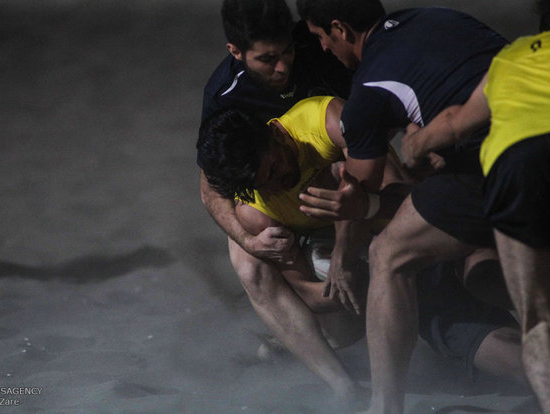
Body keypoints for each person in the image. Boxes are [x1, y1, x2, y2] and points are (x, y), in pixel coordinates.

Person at [197, 96, 526, 408]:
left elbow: (406, 196)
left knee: (487, 277)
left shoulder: (326, 125)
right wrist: (362, 286)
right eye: (261, 184)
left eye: (272, 169)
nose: (275, 185)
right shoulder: (256, 208)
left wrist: (352, 235)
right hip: (376, 276)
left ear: (275, 134)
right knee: (472, 336)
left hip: (418, 231)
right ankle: (339, 374)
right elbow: (306, 293)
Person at [295, 1, 512, 412]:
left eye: (321, 37)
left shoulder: (368, 89)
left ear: (339, 29)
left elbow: (356, 190)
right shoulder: (438, 16)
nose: (323, 48)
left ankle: (384, 405)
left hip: (500, 162)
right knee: (487, 265)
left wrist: (342, 253)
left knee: (389, 254)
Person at [198, 0, 354, 400]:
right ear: (235, 51)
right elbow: (211, 184)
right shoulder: (225, 95)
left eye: (286, 52)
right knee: (247, 262)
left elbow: (373, 132)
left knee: (346, 316)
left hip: (344, 177)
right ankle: (339, 384)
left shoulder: (320, 47)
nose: (283, 67)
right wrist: (248, 240)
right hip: (274, 196)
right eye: (267, 59)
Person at [399, 14, 550, 412]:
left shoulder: (513, 56)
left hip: (514, 171)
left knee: (536, 316)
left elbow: (455, 125)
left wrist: (412, 146)